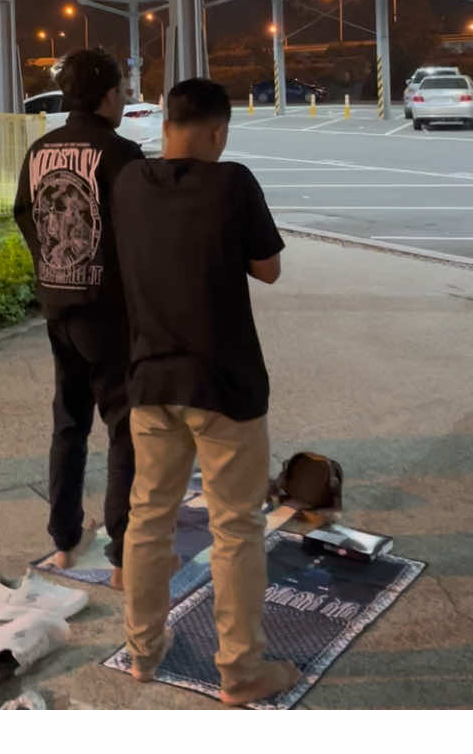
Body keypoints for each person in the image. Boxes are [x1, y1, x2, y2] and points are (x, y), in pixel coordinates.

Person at [112, 77, 300, 706]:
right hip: (223, 384)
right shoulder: (234, 181)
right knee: (236, 528)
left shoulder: (129, 184)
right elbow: (268, 269)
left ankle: (142, 654)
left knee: (148, 521)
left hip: (149, 380)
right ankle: (240, 673)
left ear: (165, 123)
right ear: (218, 130)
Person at [14, 49, 143, 589]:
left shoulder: (41, 149)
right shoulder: (120, 153)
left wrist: (54, 266)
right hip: (110, 313)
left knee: (69, 422)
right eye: (122, 88)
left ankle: (65, 541)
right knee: (124, 427)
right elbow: (143, 232)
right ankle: (124, 554)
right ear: (109, 94)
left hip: (59, 305)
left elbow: (25, 212)